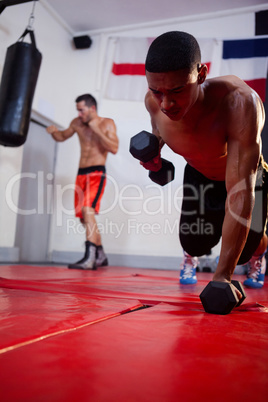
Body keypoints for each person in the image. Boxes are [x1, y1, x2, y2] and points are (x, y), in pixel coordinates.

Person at [142, 31, 267, 294]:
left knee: (245, 249)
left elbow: (239, 192)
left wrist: (222, 277)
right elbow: (158, 134)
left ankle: (257, 258)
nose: (166, 103)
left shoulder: (239, 102)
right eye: (157, 91)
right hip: (199, 172)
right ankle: (191, 258)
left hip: (245, 175)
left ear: (201, 75)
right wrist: (154, 156)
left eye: (177, 90)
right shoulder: (153, 104)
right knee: (193, 242)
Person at [47, 94, 119, 269]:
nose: (79, 114)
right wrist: (53, 133)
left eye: (81, 110)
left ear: (92, 108)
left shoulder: (106, 123)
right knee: (84, 218)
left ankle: (90, 258)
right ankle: (100, 255)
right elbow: (62, 136)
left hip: (96, 173)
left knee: (88, 211)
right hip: (81, 174)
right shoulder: (77, 123)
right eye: (77, 110)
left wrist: (97, 129)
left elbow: (114, 148)